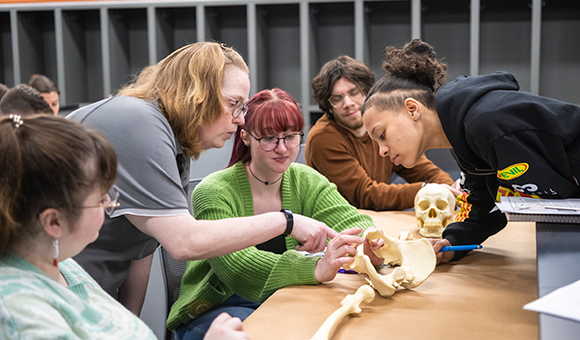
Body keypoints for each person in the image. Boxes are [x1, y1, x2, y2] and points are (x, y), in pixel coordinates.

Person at [67, 42, 336, 315]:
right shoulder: (138, 120)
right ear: (197, 93)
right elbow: (185, 242)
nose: (240, 119)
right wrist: (286, 221)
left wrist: (132, 325)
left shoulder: (174, 147)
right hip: (53, 299)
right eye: (234, 104)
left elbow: (143, 246)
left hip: (88, 303)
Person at [0, 114, 250, 340]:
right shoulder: (20, 312)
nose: (110, 203)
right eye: (100, 199)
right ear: (53, 222)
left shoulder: (60, 265)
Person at [167, 88, 384, 340]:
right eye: (269, 138)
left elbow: (352, 221)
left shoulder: (306, 179)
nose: (282, 149)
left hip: (285, 300)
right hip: (219, 312)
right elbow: (240, 270)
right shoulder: (213, 191)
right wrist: (315, 267)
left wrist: (371, 243)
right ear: (245, 137)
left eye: (290, 137)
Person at [360, 38, 580, 263]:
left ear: (412, 109)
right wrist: (452, 243)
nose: (382, 152)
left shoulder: (486, 123)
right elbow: (484, 205)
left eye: (382, 135)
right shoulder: (465, 142)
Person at [307, 55, 458, 211]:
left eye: (354, 92)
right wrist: (430, 191)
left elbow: (424, 170)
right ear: (328, 106)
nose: (348, 103)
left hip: (375, 218)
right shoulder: (323, 137)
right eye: (336, 99)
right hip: (338, 225)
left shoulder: (379, 126)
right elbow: (365, 195)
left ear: (367, 91)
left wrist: (448, 187)